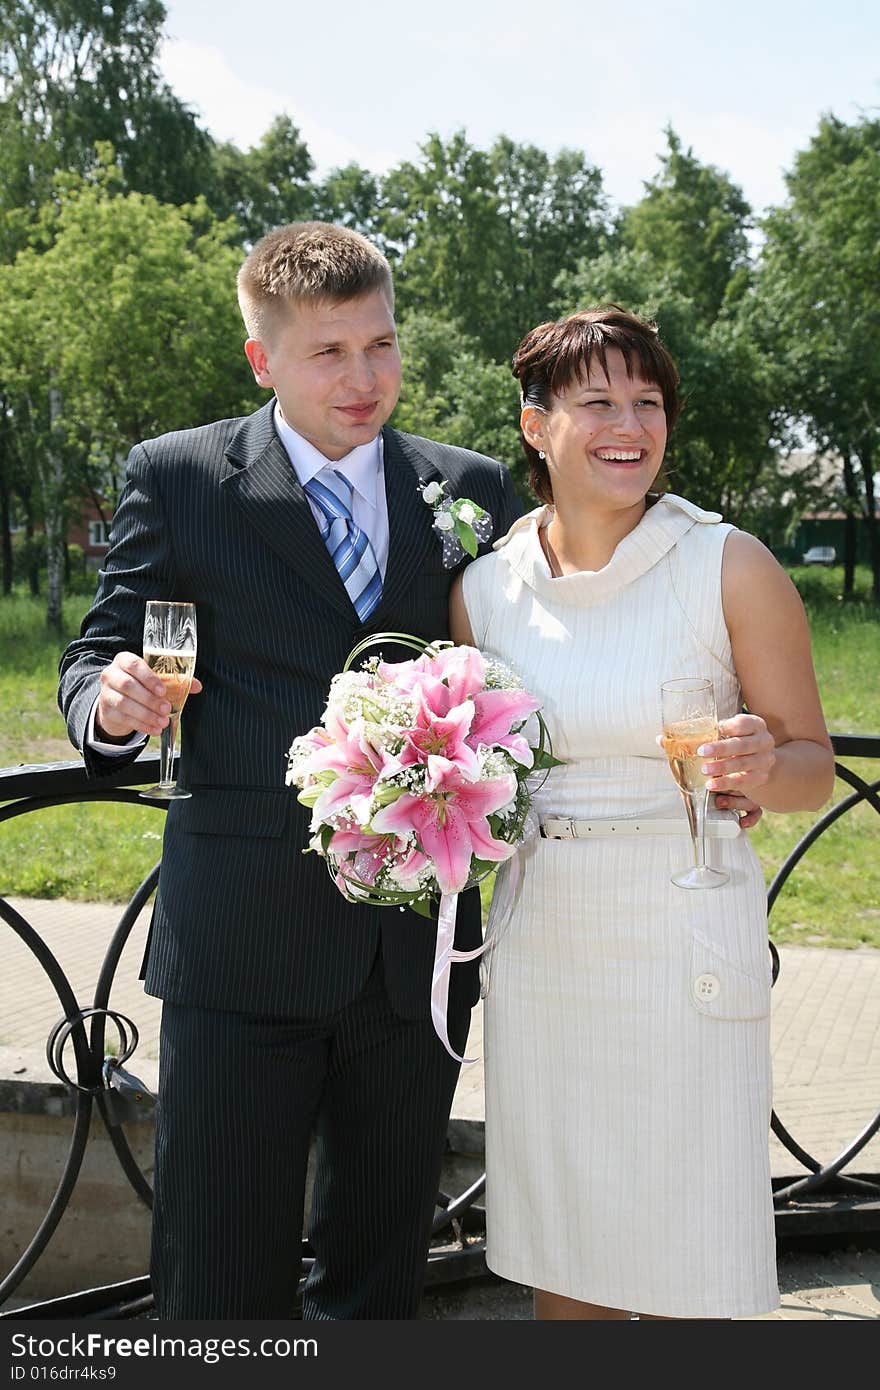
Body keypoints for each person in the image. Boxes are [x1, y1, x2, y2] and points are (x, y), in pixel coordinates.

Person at [58, 221, 522, 1319]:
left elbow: (516, 671)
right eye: (329, 352)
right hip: (241, 947)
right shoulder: (179, 478)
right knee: (218, 1283)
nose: (365, 380)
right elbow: (94, 653)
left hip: (415, 949)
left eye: (382, 345)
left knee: (377, 1283)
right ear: (263, 358)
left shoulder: (470, 488)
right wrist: (111, 702)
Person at [450, 305, 834, 1321]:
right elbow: (477, 774)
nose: (631, 423)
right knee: (564, 1249)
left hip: (682, 937)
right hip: (544, 945)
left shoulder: (727, 562)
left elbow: (811, 770)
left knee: (686, 1250)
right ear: (535, 426)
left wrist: (761, 761)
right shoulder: (484, 591)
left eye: (648, 400)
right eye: (599, 401)